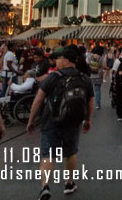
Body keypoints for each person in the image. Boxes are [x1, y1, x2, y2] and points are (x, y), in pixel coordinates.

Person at [26, 45, 94, 200]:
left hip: (51, 121)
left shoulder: (53, 77)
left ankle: (45, 187)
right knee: (71, 152)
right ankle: (69, 183)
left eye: (58, 58)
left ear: (66, 60)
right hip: (73, 122)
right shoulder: (84, 79)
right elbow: (90, 101)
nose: (56, 60)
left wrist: (31, 121)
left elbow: (38, 100)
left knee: (48, 154)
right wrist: (88, 120)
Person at [86, 45, 106, 110]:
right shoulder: (102, 57)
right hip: (99, 74)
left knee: (89, 90)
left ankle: (88, 104)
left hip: (91, 74)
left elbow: (87, 63)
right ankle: (98, 104)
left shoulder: (89, 56)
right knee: (97, 90)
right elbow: (104, 65)